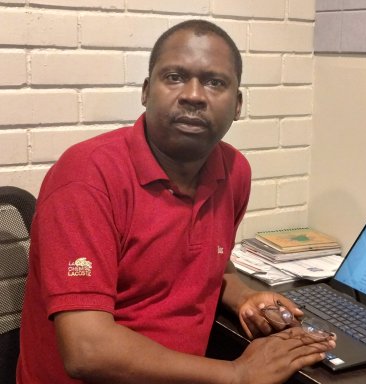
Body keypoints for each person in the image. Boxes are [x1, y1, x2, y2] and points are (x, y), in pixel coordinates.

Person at [17, 19, 336, 383]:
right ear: (145, 91)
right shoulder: (88, 178)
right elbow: (87, 351)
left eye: (215, 82)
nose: (194, 95)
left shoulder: (234, 171)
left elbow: (207, 267)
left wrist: (245, 296)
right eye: (175, 77)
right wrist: (237, 374)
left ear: (237, 104)